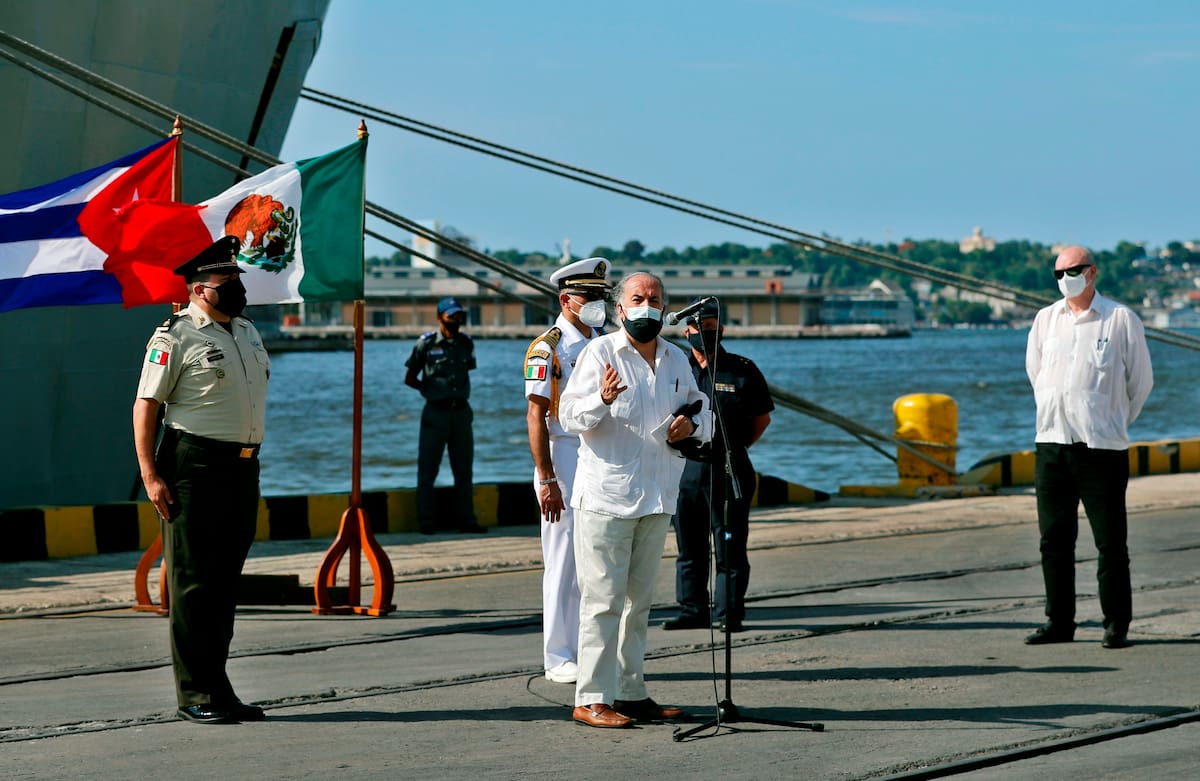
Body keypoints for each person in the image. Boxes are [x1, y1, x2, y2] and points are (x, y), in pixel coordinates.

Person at [558, 271, 712, 728]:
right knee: (602, 601)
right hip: (607, 498)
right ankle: (590, 699)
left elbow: (704, 415)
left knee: (637, 604)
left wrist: (692, 427)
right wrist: (602, 400)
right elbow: (568, 417)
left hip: (657, 496)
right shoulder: (599, 353)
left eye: (655, 299)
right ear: (620, 310)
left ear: (665, 308)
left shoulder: (676, 360)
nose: (647, 306)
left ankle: (630, 692)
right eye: (637, 299)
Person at [132, 236, 270, 725]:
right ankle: (195, 693)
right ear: (198, 289)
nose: (237, 289)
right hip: (193, 464)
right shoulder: (175, 337)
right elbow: (146, 405)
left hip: (241, 466)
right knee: (194, 583)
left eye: (238, 281)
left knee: (224, 582)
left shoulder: (248, 332)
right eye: (226, 282)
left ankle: (219, 687)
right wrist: (150, 474)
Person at [1024, 246, 1153, 650]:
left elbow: (1141, 383)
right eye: (1059, 273)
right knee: (1054, 541)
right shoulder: (1045, 320)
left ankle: (1116, 624)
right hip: (1052, 445)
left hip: (1101, 448)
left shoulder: (1119, 319)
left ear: (1093, 272)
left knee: (1110, 542)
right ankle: (1059, 622)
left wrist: (1111, 422)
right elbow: (1035, 373)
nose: (1066, 279)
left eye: (1074, 271)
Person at [524, 257, 611, 685]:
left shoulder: (604, 342)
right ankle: (559, 656)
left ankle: (589, 649)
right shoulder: (549, 347)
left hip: (599, 454)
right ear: (566, 300)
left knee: (596, 558)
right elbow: (535, 416)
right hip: (564, 455)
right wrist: (546, 478)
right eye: (589, 296)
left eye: (601, 296)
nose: (597, 303)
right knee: (563, 560)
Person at [663, 300, 773, 634]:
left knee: (729, 546)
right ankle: (692, 609)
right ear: (687, 332)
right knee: (689, 546)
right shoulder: (676, 369)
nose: (705, 334)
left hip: (728, 468)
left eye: (711, 328)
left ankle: (728, 613)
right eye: (699, 329)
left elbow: (761, 419)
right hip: (686, 470)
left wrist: (733, 449)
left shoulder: (742, 369)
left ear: (720, 330)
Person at [405, 296, 485, 534]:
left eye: (459, 315)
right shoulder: (426, 344)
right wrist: (429, 391)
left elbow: (467, 369)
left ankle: (467, 521)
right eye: (451, 316)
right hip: (435, 414)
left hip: (461, 414)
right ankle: (426, 522)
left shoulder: (466, 343)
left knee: (464, 471)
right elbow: (410, 377)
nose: (456, 320)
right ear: (440, 317)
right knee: (428, 470)